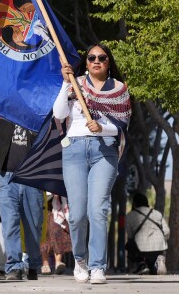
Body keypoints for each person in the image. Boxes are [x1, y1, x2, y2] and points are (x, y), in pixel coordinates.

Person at [54, 42, 131, 284]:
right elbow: (58, 114)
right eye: (91, 58)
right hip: (74, 150)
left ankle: (98, 266)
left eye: (102, 57)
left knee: (98, 210)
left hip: (104, 152)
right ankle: (80, 260)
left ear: (109, 62)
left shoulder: (120, 89)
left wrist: (102, 127)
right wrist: (66, 84)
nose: (96, 61)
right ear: (86, 62)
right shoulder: (75, 83)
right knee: (77, 214)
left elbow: (122, 125)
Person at [0, 116, 43, 281]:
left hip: (32, 177)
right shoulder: (3, 116)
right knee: (9, 223)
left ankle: (33, 264)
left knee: (33, 225)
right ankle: (14, 266)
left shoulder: (37, 118)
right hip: (7, 177)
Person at [126, 193, 170, 275]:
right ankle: (159, 260)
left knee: (129, 244)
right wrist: (164, 240)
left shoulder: (130, 215)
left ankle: (141, 264)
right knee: (153, 269)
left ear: (134, 203)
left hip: (141, 248)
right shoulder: (157, 213)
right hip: (159, 245)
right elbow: (166, 231)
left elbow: (130, 235)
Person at [40, 194, 72, 275]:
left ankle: (58, 262)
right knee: (44, 234)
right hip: (44, 207)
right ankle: (45, 263)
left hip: (58, 209)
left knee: (57, 231)